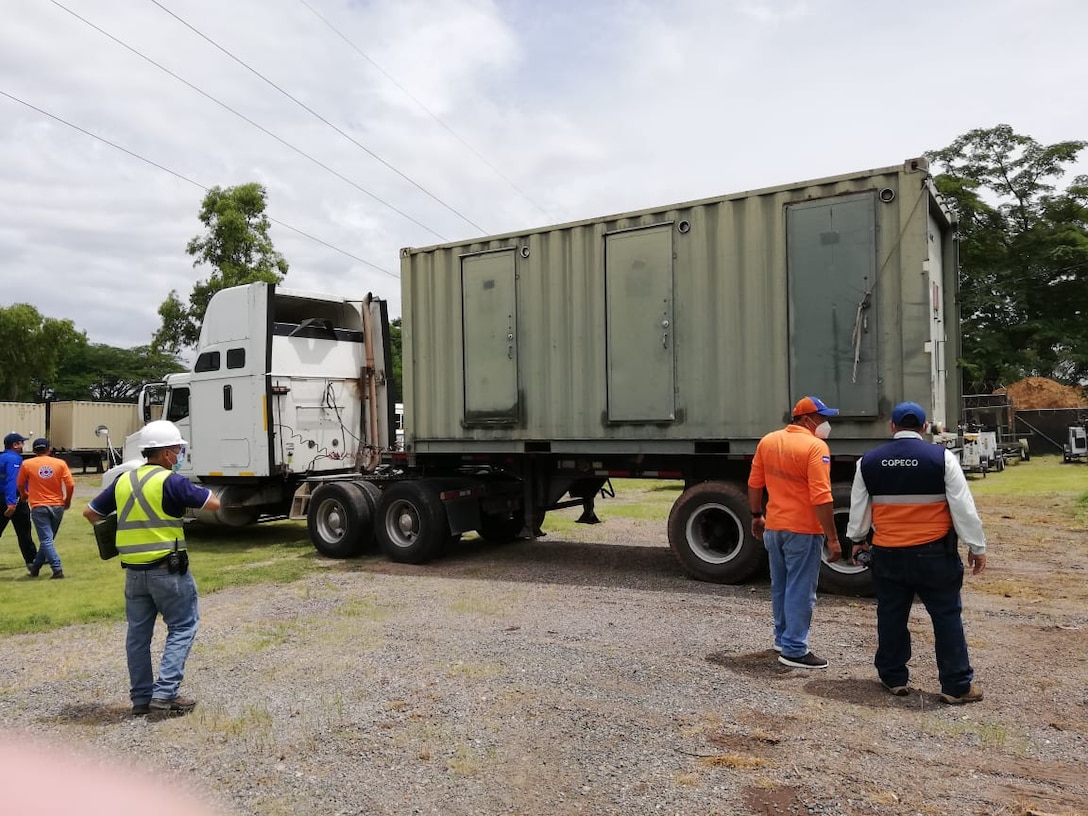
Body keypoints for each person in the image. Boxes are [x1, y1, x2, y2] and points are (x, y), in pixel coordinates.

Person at [846, 401, 987, 704]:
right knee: (947, 617)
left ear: (892, 427)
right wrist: (976, 546)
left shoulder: (868, 462)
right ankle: (957, 686)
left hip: (888, 554)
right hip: (934, 554)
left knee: (891, 614)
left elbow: (859, 511)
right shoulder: (942, 458)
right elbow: (963, 508)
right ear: (924, 428)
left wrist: (857, 540)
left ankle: (893, 678)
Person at [83, 420, 220, 717]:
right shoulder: (171, 481)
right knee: (183, 627)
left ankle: (141, 699)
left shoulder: (124, 480)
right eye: (178, 450)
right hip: (168, 571)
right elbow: (214, 504)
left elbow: (90, 512)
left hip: (133, 573)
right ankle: (166, 693)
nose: (180, 454)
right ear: (168, 453)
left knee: (138, 636)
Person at [748, 396, 842, 669]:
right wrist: (833, 538)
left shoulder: (768, 441)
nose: (826, 424)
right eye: (823, 418)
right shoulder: (816, 447)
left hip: (774, 527)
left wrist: (756, 515)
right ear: (806, 419)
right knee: (801, 589)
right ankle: (795, 649)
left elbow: (755, 483)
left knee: (781, 586)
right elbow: (822, 496)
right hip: (803, 530)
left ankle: (782, 638)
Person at [18, 438, 74, 579]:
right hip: (57, 505)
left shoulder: (27, 464)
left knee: (46, 539)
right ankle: (36, 568)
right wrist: (67, 500)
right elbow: (70, 484)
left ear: (34, 450)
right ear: (49, 450)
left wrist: (25, 495)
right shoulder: (60, 463)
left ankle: (57, 568)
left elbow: (19, 484)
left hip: (39, 505)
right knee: (48, 539)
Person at [0, 432, 38, 570]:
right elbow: (12, 481)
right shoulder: (14, 459)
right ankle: (32, 559)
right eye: (21, 442)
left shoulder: (2, 457)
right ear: (15, 445)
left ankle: (33, 558)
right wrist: (11, 502)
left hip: (2, 497)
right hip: (13, 498)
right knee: (24, 531)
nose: (23, 445)